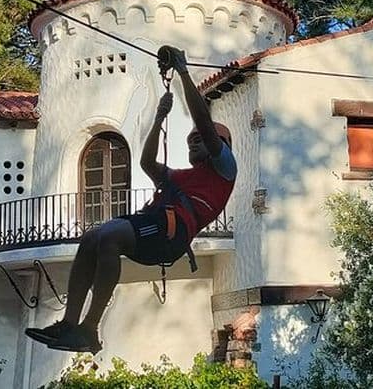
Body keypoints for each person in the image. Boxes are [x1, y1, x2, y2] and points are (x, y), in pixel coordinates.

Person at [24, 45, 237, 353]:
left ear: (221, 144)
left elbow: (203, 119)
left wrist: (183, 71)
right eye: (190, 142)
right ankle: (69, 324)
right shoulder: (181, 178)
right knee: (91, 238)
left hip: (170, 234)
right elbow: (148, 164)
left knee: (109, 235)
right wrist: (159, 119)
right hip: (156, 223)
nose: (193, 144)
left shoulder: (224, 169)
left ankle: (89, 328)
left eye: (200, 140)